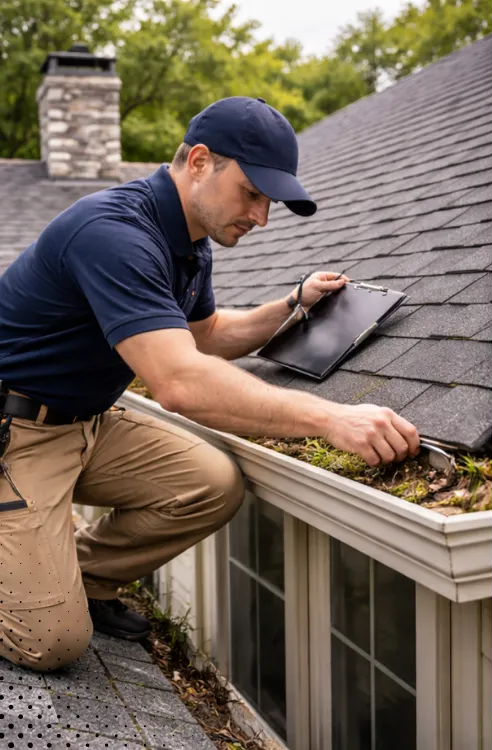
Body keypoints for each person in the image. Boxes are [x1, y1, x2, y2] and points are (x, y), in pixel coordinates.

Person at [0, 97, 419, 671]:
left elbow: (207, 335)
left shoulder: (190, 241)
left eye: (269, 200)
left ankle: (80, 574)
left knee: (212, 484)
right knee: (51, 643)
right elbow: (179, 382)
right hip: (15, 431)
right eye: (252, 193)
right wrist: (332, 418)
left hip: (85, 424)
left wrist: (293, 304)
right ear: (199, 162)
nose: (263, 217)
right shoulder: (113, 233)